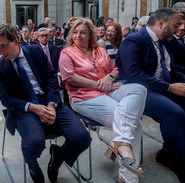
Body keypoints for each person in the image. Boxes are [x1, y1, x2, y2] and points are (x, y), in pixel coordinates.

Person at [116, 8, 185, 183]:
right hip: (137, 91)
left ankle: (170, 153)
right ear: (160, 23)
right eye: (174, 26)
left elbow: (171, 71)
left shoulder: (163, 41)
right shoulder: (134, 41)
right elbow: (134, 76)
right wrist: (170, 88)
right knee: (175, 114)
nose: (177, 30)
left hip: (162, 86)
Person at [0, 24, 91, 183]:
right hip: (25, 107)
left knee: (82, 138)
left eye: (4, 46)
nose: (0, 51)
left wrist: (52, 104)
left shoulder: (35, 51)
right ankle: (32, 165)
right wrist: (32, 107)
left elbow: (51, 76)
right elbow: (5, 98)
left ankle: (58, 156)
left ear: (16, 41)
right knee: (33, 143)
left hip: (48, 100)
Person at [59, 18, 146, 183]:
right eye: (75, 32)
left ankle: (119, 146)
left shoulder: (99, 50)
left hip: (108, 90)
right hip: (84, 97)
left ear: (90, 34)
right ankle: (127, 177)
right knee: (136, 125)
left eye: (83, 32)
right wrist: (101, 85)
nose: (78, 35)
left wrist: (109, 78)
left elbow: (115, 70)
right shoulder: (67, 52)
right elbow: (71, 78)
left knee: (139, 89)